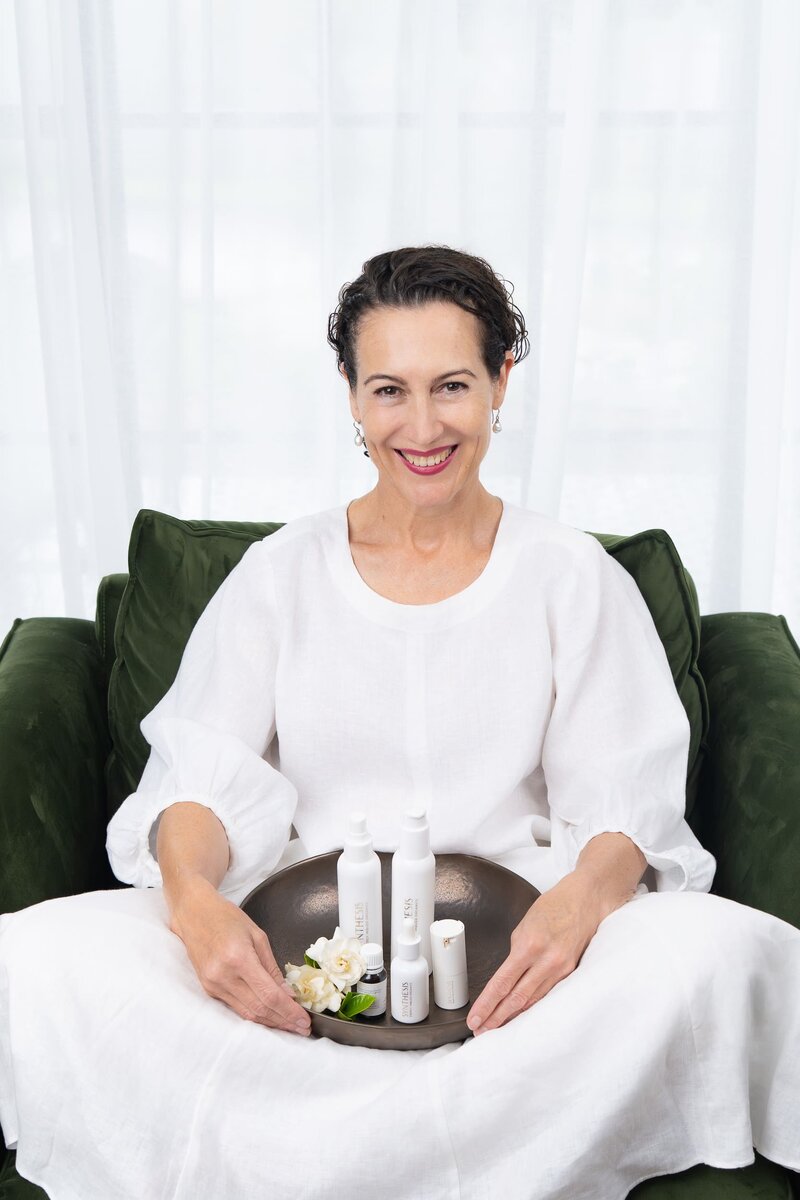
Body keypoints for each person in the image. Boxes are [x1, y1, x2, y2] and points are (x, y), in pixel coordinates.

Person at [0, 245, 798, 1200]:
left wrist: (575, 914)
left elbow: (625, 802)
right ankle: (438, 1144)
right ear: (349, 394)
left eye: (453, 385)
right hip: (300, 948)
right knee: (34, 958)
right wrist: (198, 907)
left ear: (503, 380)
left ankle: (325, 1147)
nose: (421, 426)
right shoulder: (280, 576)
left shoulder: (572, 576)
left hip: (521, 969)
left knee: (713, 953)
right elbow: (199, 781)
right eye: (389, 390)